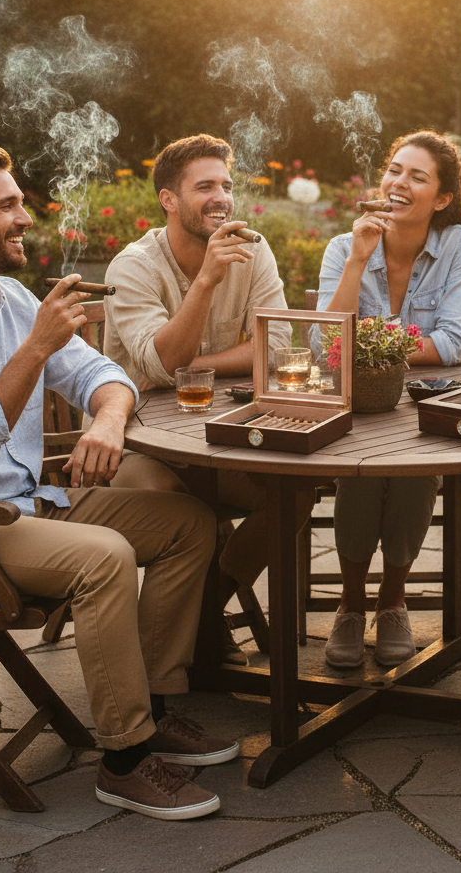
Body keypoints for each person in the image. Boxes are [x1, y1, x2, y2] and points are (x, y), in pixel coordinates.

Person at [0, 145, 238, 821]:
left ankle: (150, 710)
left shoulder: (9, 299)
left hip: (21, 509)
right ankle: (124, 759)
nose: (23, 216)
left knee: (189, 524)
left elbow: (107, 377)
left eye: (20, 203)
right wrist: (35, 350)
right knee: (104, 559)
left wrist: (108, 424)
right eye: (5, 205)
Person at [103, 134, 307, 665]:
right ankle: (184, 635)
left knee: (295, 491)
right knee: (184, 509)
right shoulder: (134, 267)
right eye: (205, 187)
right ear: (169, 199)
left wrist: (192, 370)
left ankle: (200, 611)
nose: (221, 197)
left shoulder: (253, 250)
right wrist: (208, 281)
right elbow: (156, 364)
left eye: (226, 185)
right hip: (138, 445)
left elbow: (277, 344)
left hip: (223, 434)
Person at [318, 130, 461, 669]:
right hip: (360, 405)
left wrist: (369, 345)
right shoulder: (346, 247)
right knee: (361, 466)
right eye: (393, 170)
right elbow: (325, 348)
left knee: (414, 467)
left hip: (425, 402)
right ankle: (349, 601)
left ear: (441, 198)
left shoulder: (459, 244)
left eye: (416, 176)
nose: (398, 183)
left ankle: (392, 599)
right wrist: (356, 263)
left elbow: (455, 342)